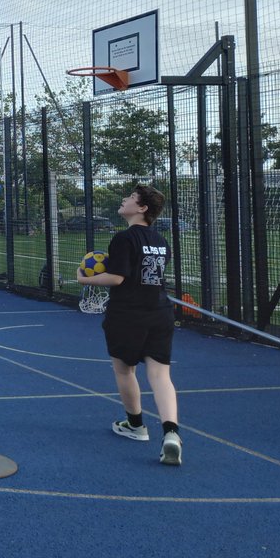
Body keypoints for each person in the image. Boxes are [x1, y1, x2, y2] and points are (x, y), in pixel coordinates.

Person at [76, 185, 182, 466]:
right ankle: (171, 432)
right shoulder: (161, 241)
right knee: (161, 375)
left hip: (128, 313)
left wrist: (84, 279)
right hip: (160, 311)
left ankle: (136, 425)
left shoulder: (124, 238)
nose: (124, 200)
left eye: (131, 198)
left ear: (142, 208)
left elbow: (117, 278)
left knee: (125, 369)